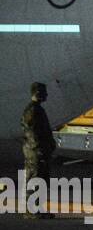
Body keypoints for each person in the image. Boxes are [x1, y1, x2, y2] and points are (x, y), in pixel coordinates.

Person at [20, 81, 57, 216]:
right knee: (35, 179)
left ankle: (36, 208)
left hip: (38, 150)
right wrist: (39, 148)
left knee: (40, 180)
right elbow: (32, 132)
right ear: (38, 93)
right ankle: (32, 210)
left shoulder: (36, 110)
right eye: (44, 92)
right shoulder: (33, 111)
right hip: (35, 152)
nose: (46, 95)